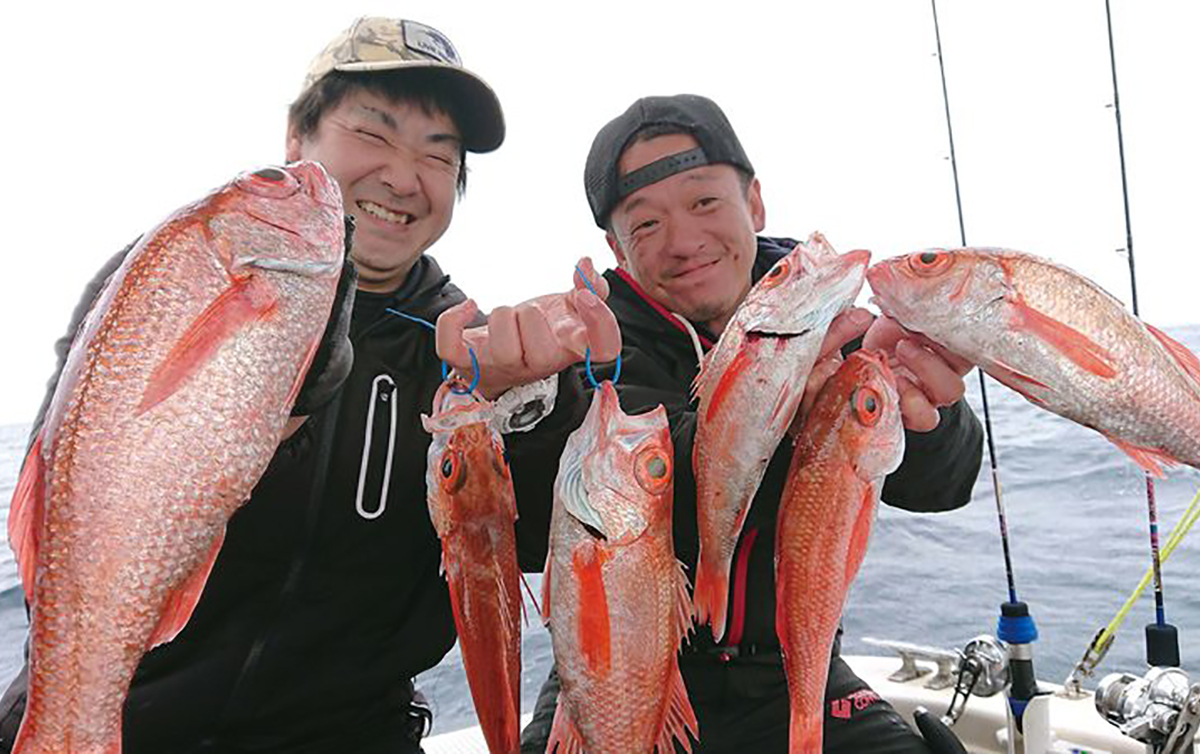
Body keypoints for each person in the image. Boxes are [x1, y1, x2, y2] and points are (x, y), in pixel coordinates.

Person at [0, 17, 617, 754]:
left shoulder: (460, 350)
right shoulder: (182, 277)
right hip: (122, 722)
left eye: (438, 155)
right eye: (374, 133)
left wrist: (537, 403)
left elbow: (543, 540)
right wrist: (283, 400)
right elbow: (74, 509)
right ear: (298, 137)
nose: (402, 175)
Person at [515, 94, 985, 753]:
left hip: (789, 666)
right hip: (625, 658)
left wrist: (925, 411)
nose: (683, 241)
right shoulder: (596, 349)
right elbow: (617, 499)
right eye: (645, 225)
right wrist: (771, 414)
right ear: (615, 248)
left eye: (704, 202)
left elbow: (943, 484)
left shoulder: (829, 319)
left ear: (755, 204)